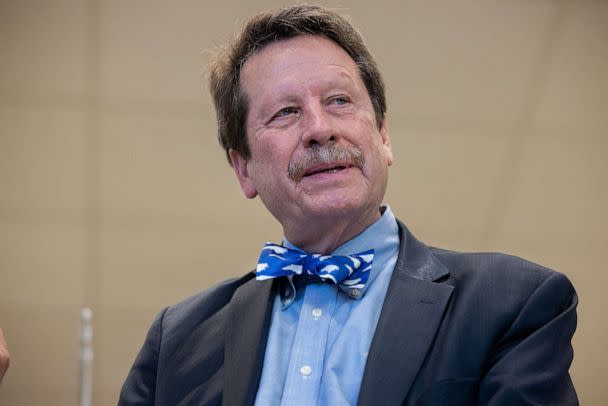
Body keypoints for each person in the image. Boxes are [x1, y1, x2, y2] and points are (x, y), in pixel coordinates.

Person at [119, 5, 578, 405]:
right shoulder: (176, 342)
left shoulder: (512, 305)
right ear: (244, 169)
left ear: (383, 135)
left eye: (339, 101)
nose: (320, 128)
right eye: (286, 112)